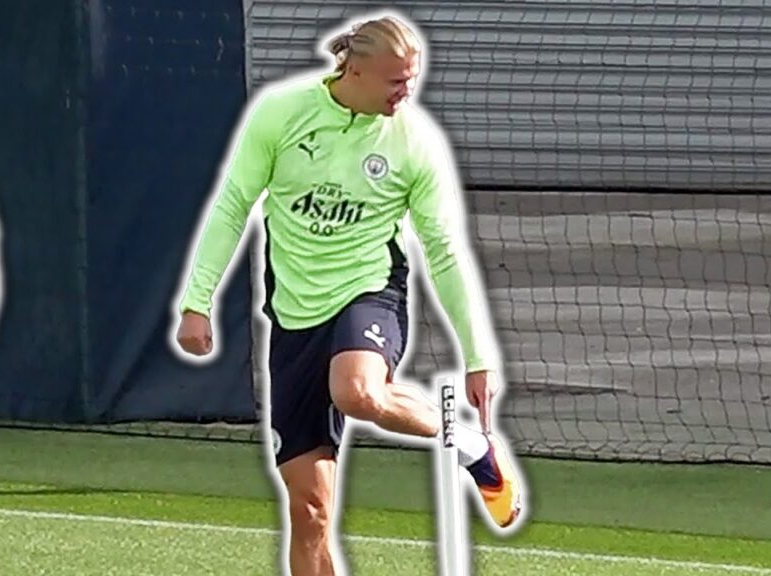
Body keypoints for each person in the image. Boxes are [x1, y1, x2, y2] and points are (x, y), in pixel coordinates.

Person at [175, 14, 523, 575]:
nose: (405, 92)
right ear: (352, 70)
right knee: (310, 511)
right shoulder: (281, 113)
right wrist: (198, 300)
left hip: (369, 292)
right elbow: (232, 204)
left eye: (411, 78)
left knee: (357, 391)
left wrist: (479, 358)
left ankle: (473, 445)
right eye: (394, 81)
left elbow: (445, 252)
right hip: (294, 317)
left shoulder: (416, 142)